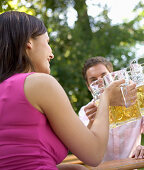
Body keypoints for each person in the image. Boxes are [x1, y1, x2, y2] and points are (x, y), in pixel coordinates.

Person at [0, 11, 136, 169]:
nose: (51, 54)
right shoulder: (39, 83)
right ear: (29, 42)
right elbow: (93, 154)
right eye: (47, 42)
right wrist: (106, 98)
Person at [78, 56, 144, 161]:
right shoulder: (87, 111)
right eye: (93, 80)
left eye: (104, 76)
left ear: (113, 77)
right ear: (89, 86)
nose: (100, 82)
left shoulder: (136, 100)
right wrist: (92, 123)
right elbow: (84, 150)